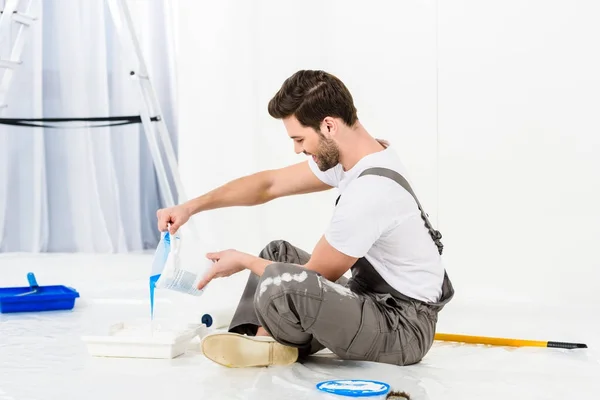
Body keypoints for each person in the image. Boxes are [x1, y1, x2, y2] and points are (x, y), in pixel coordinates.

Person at [156, 70, 454, 368]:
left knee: (281, 282)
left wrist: (242, 260)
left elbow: (315, 274)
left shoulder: (370, 191)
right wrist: (190, 207)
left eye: (300, 139)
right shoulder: (358, 158)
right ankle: (259, 339)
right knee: (277, 255)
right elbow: (268, 185)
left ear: (328, 126)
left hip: (402, 329)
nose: (298, 149)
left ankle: (265, 344)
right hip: (373, 301)